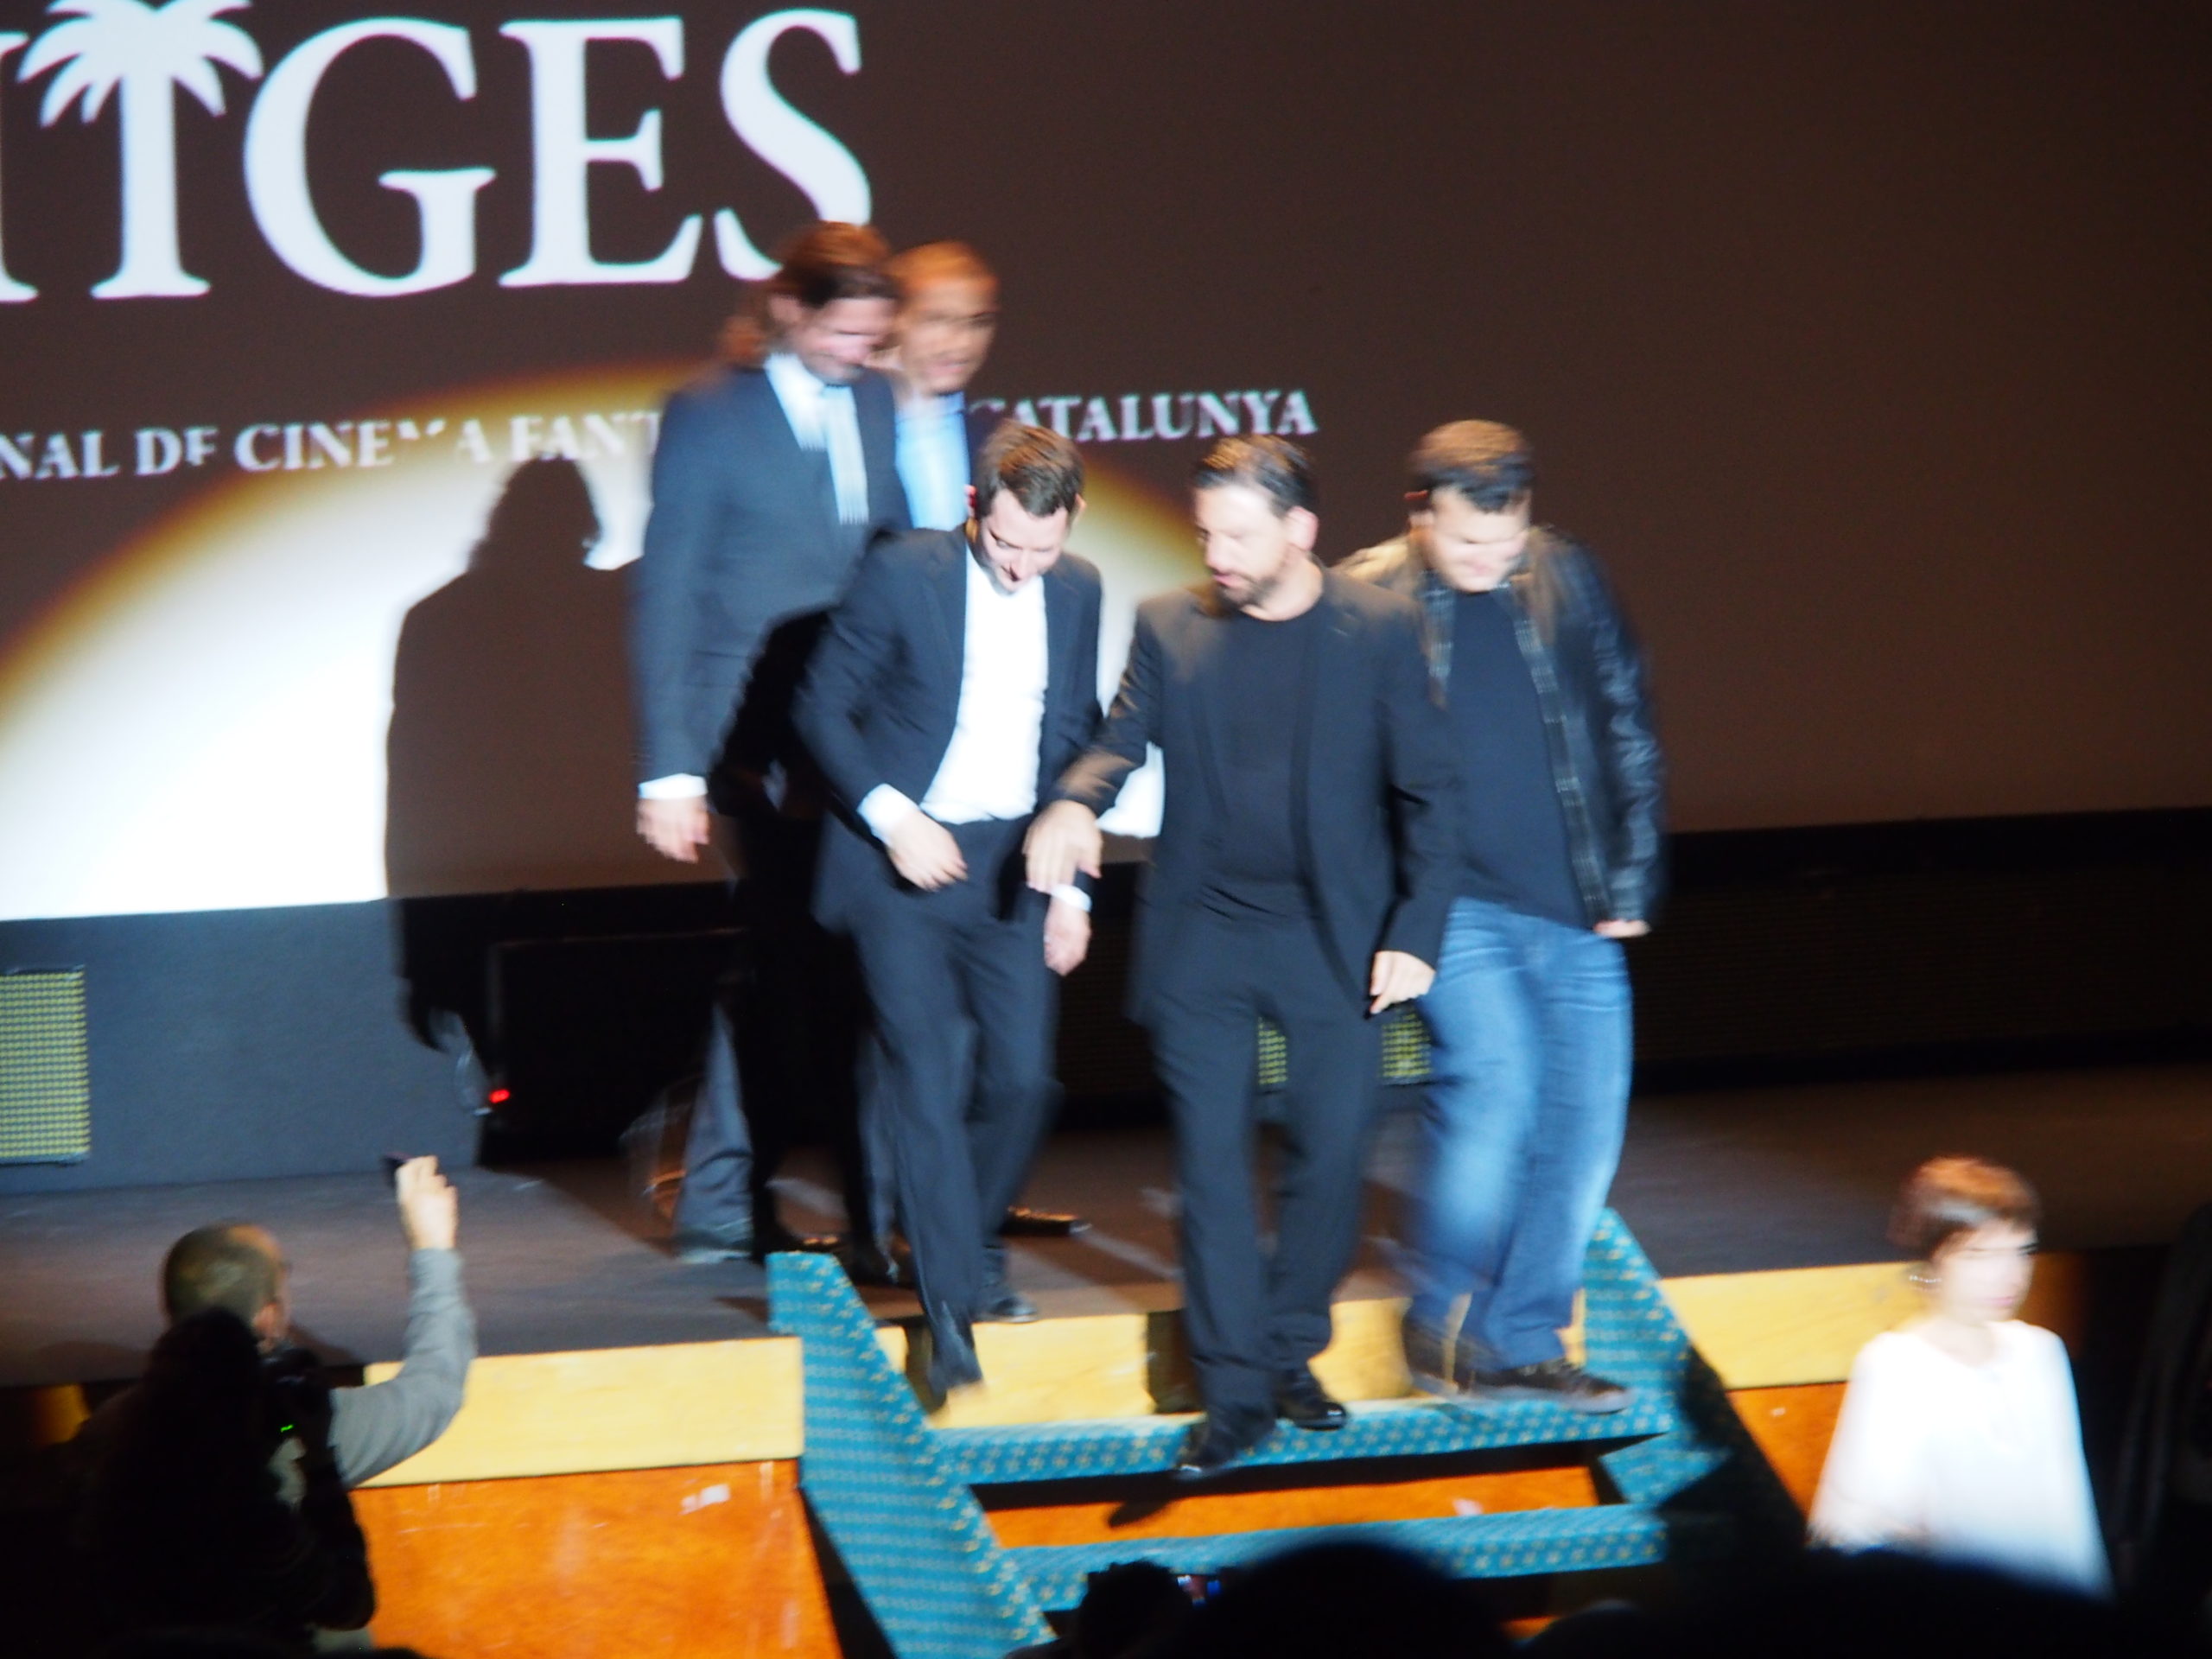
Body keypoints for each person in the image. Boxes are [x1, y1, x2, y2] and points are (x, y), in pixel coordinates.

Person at [1027, 436, 1459, 1478]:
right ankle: (1233, 1396)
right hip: (1205, 936)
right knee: (1211, 1170)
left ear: (1299, 531)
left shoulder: (1379, 629)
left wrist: (1415, 935)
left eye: (1237, 535)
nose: (1215, 554)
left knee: (1330, 1158)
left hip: (1334, 939)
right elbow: (1119, 737)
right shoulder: (1169, 623)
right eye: (1205, 534)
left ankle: (1284, 1349)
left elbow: (1433, 796)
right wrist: (1075, 803)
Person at [1341, 420, 1662, 1413]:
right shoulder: (1367, 595)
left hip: (1571, 903)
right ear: (1419, 512)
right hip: (1452, 905)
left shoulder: (1568, 575)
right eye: (1467, 541)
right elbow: (1339, 773)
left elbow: (1624, 720)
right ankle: (1437, 1308)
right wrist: (1385, 918)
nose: (1491, 559)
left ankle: (1518, 1339)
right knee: (1496, 1083)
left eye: (1506, 540)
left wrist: (1630, 878)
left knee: (1586, 1119)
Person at [795, 423, 1103, 1394]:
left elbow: (1074, 737)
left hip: (1012, 864)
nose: (1020, 568)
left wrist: (1073, 887)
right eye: (1005, 543)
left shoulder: (1079, 588)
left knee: (1023, 1083)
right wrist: (893, 819)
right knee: (925, 1078)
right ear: (975, 508)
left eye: (1041, 548)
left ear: (1072, 519)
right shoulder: (904, 573)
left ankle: (957, 1248)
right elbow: (818, 707)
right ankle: (949, 1314)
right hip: (900, 868)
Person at [629, 221, 912, 1265]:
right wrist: (668, 768)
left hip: (858, 727)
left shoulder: (875, 402)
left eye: (872, 337)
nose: (858, 353)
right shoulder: (709, 413)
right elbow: (669, 589)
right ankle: (732, 1197)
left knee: (842, 970)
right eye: (842, 332)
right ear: (791, 310)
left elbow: (890, 555)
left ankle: (858, 1205)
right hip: (751, 738)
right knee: (785, 966)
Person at [1810, 1156, 2110, 1596]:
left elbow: (2072, 1512)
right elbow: (1854, 1528)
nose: (2010, 1275)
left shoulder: (2040, 1353)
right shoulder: (1896, 1366)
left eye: (2022, 1251)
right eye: (1979, 1254)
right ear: (1934, 1259)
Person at [77, 1309, 374, 1651]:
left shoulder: (112, 1501)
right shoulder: (253, 1523)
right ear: (243, 1405)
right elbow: (350, 1605)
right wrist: (319, 1459)